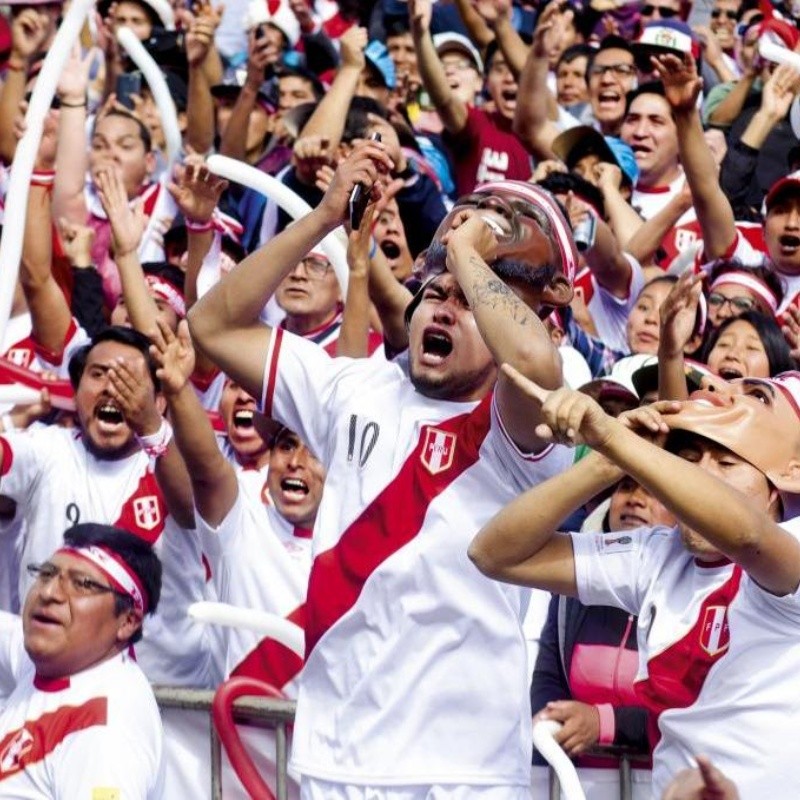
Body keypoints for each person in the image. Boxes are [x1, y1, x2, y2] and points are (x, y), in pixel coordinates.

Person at [188, 140, 577, 797]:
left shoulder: (525, 425)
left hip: (463, 772)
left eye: (473, 297)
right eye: (435, 292)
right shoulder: (352, 388)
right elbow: (214, 325)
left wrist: (461, 248)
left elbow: (534, 365)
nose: (446, 306)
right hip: (332, 756)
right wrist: (322, 218)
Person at [469, 369, 800, 798]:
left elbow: (746, 535)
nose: (698, 476)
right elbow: (493, 553)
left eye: (726, 462)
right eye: (689, 458)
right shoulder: (657, 555)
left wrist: (611, 437)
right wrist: (606, 464)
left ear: (790, 474)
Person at [0, 523, 164, 797]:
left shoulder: (106, 734)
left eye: (83, 584)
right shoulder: (53, 660)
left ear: (127, 621)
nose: (49, 592)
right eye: (47, 573)